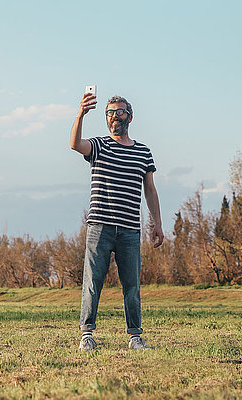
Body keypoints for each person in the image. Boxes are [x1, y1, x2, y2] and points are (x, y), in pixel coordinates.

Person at [69, 92, 164, 351]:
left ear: (130, 117)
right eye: (110, 112)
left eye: (120, 111)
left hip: (130, 230)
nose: (115, 116)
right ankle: (87, 335)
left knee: (131, 285)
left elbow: (151, 190)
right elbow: (75, 144)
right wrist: (80, 114)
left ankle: (135, 337)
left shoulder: (144, 152)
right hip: (99, 227)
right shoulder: (99, 146)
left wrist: (157, 223)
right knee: (92, 282)